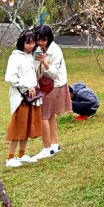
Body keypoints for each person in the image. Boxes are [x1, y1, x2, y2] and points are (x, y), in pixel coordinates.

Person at [3, 29, 43, 168]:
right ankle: (10, 157)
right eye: (28, 43)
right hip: (21, 97)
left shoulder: (30, 56)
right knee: (18, 125)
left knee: (27, 125)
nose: (31, 46)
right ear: (22, 43)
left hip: (31, 96)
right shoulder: (15, 57)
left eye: (33, 43)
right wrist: (26, 85)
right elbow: (10, 78)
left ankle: (22, 154)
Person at [33, 25, 70, 159]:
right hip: (47, 84)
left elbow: (53, 73)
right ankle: (54, 144)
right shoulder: (40, 48)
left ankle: (47, 148)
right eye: (38, 40)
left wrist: (43, 61)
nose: (40, 43)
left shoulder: (55, 51)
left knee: (43, 115)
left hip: (54, 85)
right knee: (50, 116)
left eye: (43, 40)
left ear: (49, 38)